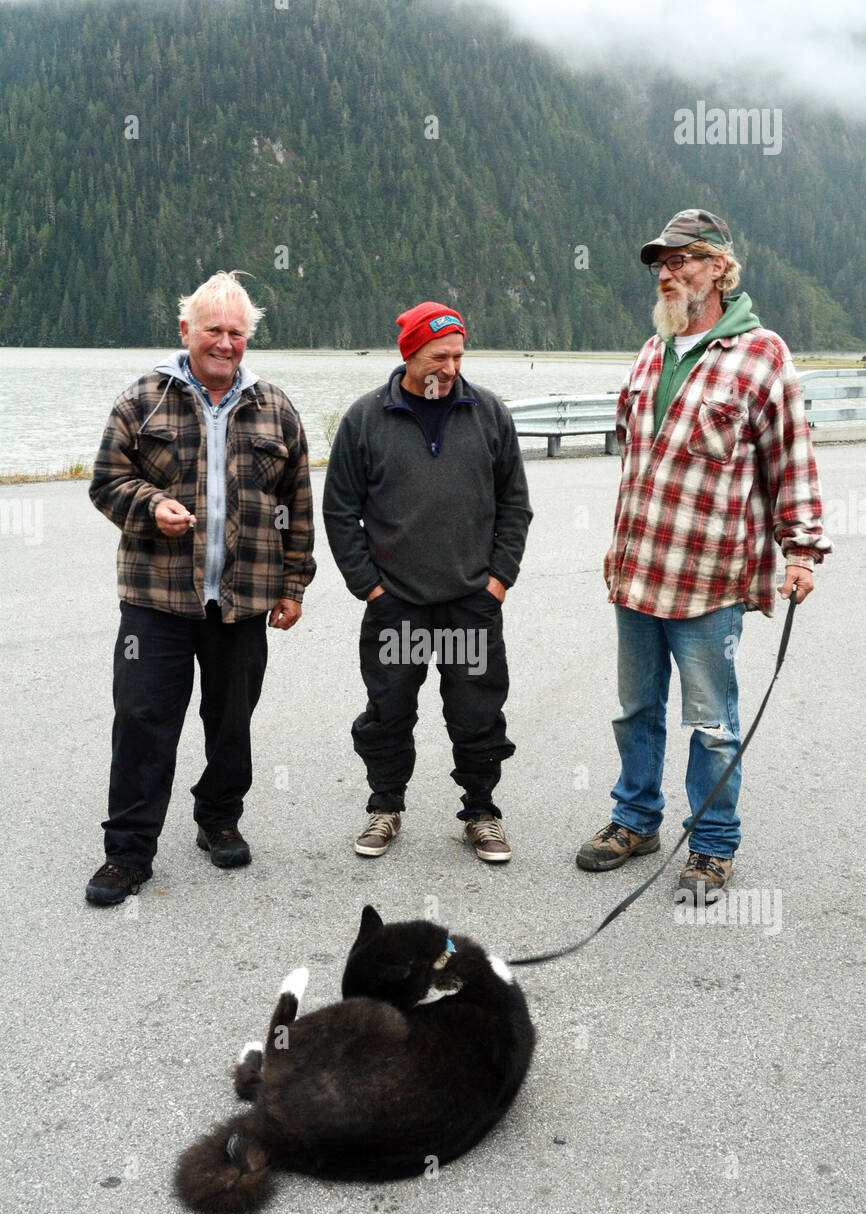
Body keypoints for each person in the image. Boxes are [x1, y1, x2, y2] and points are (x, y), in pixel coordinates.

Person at [576, 210, 831, 900]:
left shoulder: (762, 355)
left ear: (718, 267)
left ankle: (713, 845)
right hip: (636, 571)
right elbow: (638, 460)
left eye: (681, 260)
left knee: (712, 724)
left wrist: (801, 551)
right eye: (659, 263)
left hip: (709, 581)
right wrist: (616, 545)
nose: (667, 273)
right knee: (635, 710)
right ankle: (636, 821)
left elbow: (792, 461)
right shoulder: (651, 350)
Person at [86, 271, 315, 905]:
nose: (224, 342)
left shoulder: (276, 407)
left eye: (236, 332)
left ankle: (218, 819)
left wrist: (294, 583)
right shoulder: (143, 399)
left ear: (248, 339)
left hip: (242, 600)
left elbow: (298, 503)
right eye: (212, 329)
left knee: (232, 719)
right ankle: (128, 853)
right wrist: (151, 504)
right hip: (155, 599)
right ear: (185, 330)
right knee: (142, 720)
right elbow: (105, 481)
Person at [323, 301, 532, 861]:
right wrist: (369, 586)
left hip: (470, 604)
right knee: (389, 710)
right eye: (439, 355)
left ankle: (482, 812)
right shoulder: (366, 419)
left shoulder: (488, 414)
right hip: (398, 606)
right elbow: (340, 510)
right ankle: (384, 807)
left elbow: (515, 504)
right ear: (410, 355)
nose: (451, 365)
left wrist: (498, 581)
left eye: (458, 354)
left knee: (477, 713)